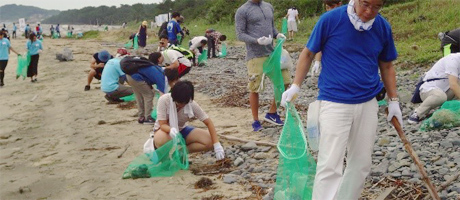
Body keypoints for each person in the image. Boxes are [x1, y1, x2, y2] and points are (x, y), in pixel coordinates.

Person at [281, 0, 401, 199]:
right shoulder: (331, 19)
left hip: (367, 102)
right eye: (365, 4)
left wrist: (394, 100)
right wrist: (296, 85)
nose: (369, 12)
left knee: (361, 163)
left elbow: (387, 66)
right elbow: (309, 52)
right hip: (334, 101)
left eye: (376, 7)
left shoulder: (381, 26)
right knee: (330, 164)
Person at [235, 0, 289, 132]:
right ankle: (255, 120)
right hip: (255, 55)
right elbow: (240, 34)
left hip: (272, 53)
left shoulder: (268, 6)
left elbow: (272, 27)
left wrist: (277, 34)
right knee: (255, 88)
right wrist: (256, 41)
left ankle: (272, 113)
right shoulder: (243, 10)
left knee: (285, 81)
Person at [152, 80, 225, 161]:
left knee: (209, 141)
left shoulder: (191, 104)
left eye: (183, 103)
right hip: (164, 131)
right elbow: (162, 124)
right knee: (162, 139)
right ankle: (164, 158)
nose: (180, 105)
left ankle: (181, 152)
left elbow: (208, 122)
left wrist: (217, 145)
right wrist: (171, 130)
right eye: (177, 102)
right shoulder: (164, 100)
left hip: (181, 129)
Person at [408, 53, 460, 124]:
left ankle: (451, 109)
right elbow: (453, 85)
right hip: (429, 89)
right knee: (440, 96)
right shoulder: (453, 59)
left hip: (446, 90)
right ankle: (417, 113)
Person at [126, 52, 167, 124]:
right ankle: (148, 118)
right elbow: (162, 95)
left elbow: (147, 77)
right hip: (136, 78)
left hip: (129, 75)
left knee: (139, 96)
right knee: (149, 94)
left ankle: (141, 117)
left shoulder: (153, 67)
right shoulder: (160, 75)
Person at [312, 0, 343, 76]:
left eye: (332, 7)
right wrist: (317, 61)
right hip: (331, 65)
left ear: (339, 4)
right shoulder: (325, 21)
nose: (329, 10)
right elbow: (320, 43)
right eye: (327, 7)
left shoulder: (346, 19)